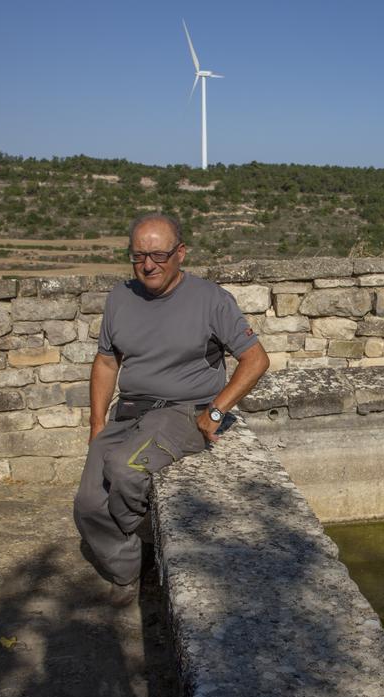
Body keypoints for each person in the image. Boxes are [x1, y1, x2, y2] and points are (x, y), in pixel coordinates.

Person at [73, 212, 270, 606]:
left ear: (181, 253)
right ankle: (127, 569)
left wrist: (214, 413)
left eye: (159, 255)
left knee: (126, 470)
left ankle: (152, 537)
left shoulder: (211, 299)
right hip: (129, 411)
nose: (148, 265)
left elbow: (256, 360)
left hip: (182, 411)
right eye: (138, 255)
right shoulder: (119, 298)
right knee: (87, 505)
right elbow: (107, 362)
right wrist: (96, 424)